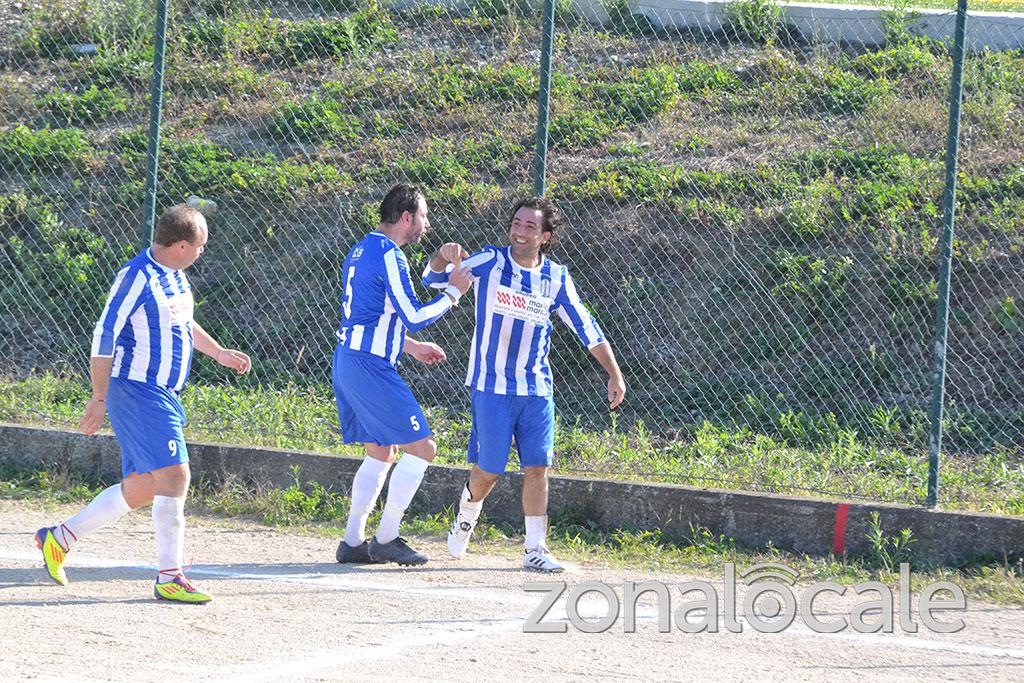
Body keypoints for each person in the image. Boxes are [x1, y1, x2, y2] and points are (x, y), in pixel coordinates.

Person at [35, 204, 252, 603]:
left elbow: (183, 323)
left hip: (162, 393)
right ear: (182, 244)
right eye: (201, 245)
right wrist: (98, 397)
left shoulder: (176, 277)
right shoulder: (135, 277)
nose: (204, 251)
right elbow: (104, 336)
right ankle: (169, 577)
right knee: (175, 476)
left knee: (144, 487)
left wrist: (218, 352)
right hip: (137, 389)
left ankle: (59, 538)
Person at [423, 196, 626, 572]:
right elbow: (433, 280)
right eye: (516, 223)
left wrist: (614, 373)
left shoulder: (557, 278)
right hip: (491, 386)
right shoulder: (489, 262)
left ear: (545, 237)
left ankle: (535, 548)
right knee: (489, 471)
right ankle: (467, 513)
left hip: (536, 389)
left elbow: (587, 328)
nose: (519, 231)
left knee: (538, 467)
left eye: (529, 226)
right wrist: (440, 255)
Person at [333, 184, 472, 567]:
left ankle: (352, 541)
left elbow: (373, 314)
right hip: (369, 366)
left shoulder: (361, 249)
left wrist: (408, 347)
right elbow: (412, 314)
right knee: (423, 448)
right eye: (424, 216)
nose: (427, 225)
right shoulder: (390, 256)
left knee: (382, 451)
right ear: (407, 217)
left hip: (350, 358)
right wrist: (453, 294)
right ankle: (387, 538)